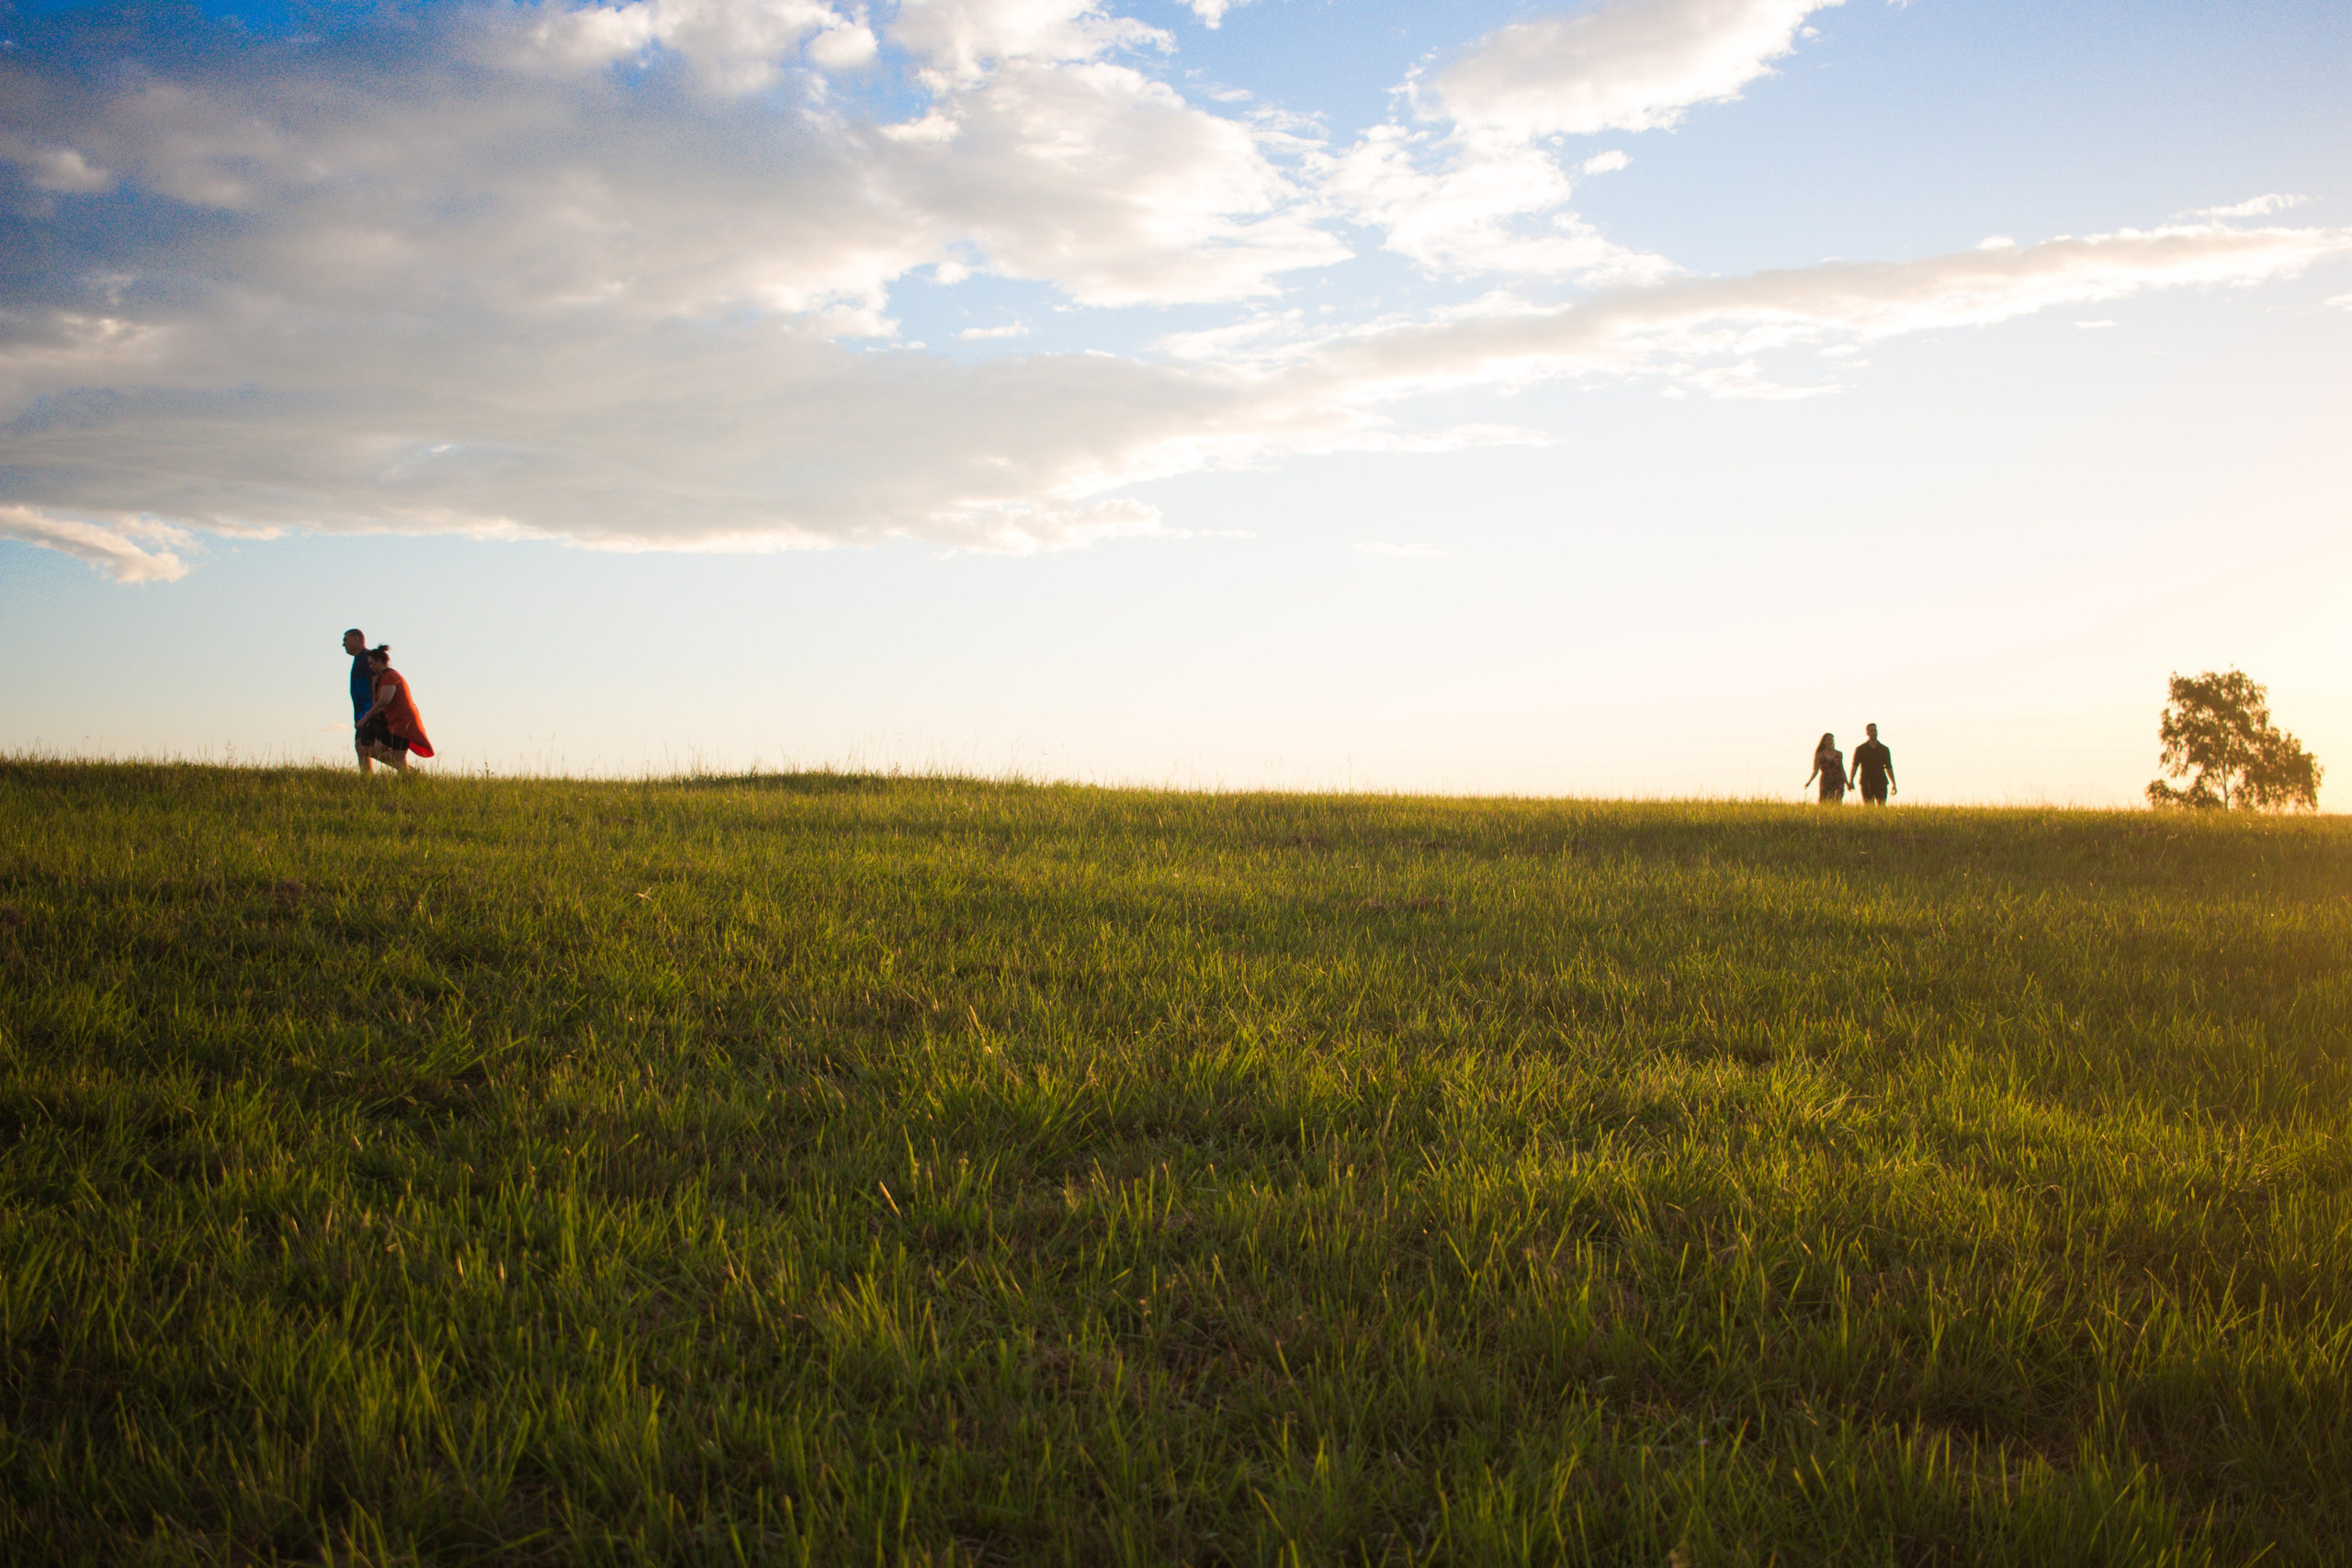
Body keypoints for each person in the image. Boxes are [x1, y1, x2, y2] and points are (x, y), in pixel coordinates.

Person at [356, 645, 435, 772]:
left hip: (403, 724)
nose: (370, 667)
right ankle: (411, 773)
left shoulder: (390, 677)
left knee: (398, 758)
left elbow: (384, 701)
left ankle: (409, 777)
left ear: (379, 661)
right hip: (394, 724)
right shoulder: (383, 677)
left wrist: (365, 717)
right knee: (377, 750)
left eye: (371, 663)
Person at [343, 627, 375, 772]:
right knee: (361, 746)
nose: (344, 644)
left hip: (369, 710)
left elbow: (376, 679)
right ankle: (366, 779)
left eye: (346, 640)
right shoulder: (359, 659)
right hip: (361, 712)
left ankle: (406, 769)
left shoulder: (366, 657)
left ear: (357, 639)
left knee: (363, 746)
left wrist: (373, 708)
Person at [1852, 722, 1896, 806]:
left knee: (1882, 806)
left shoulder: (1884, 749)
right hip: (1866, 782)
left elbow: (1888, 767)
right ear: (1867, 733)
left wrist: (1893, 783)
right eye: (1871, 731)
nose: (1874, 733)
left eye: (1875, 731)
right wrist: (1851, 780)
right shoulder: (1861, 749)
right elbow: (1855, 765)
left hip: (1881, 782)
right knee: (1868, 806)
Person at [1805, 731, 1846, 803]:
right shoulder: (1820, 755)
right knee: (1825, 801)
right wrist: (1810, 781)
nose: (1830, 741)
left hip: (1838, 779)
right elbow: (1816, 770)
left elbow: (1841, 769)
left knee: (1838, 800)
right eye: (1828, 740)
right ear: (1824, 742)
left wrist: (1847, 782)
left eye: (1831, 740)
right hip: (1826, 780)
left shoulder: (1839, 754)